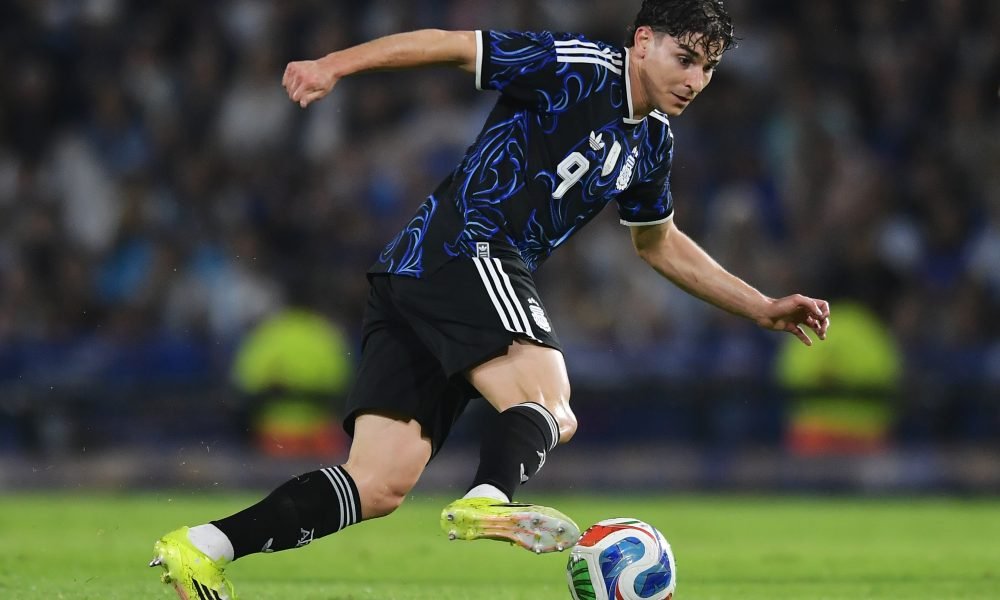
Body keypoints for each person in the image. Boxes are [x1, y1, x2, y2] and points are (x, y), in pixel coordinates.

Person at [150, 2, 831, 597]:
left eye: (708, 68)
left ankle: (202, 548)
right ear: (643, 40)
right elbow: (450, 45)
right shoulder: (577, 66)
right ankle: (487, 499)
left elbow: (659, 242)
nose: (695, 80)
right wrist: (334, 65)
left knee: (379, 482)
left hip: (419, 275)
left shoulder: (652, 142)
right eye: (685, 59)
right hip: (467, 247)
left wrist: (760, 306)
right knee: (551, 401)